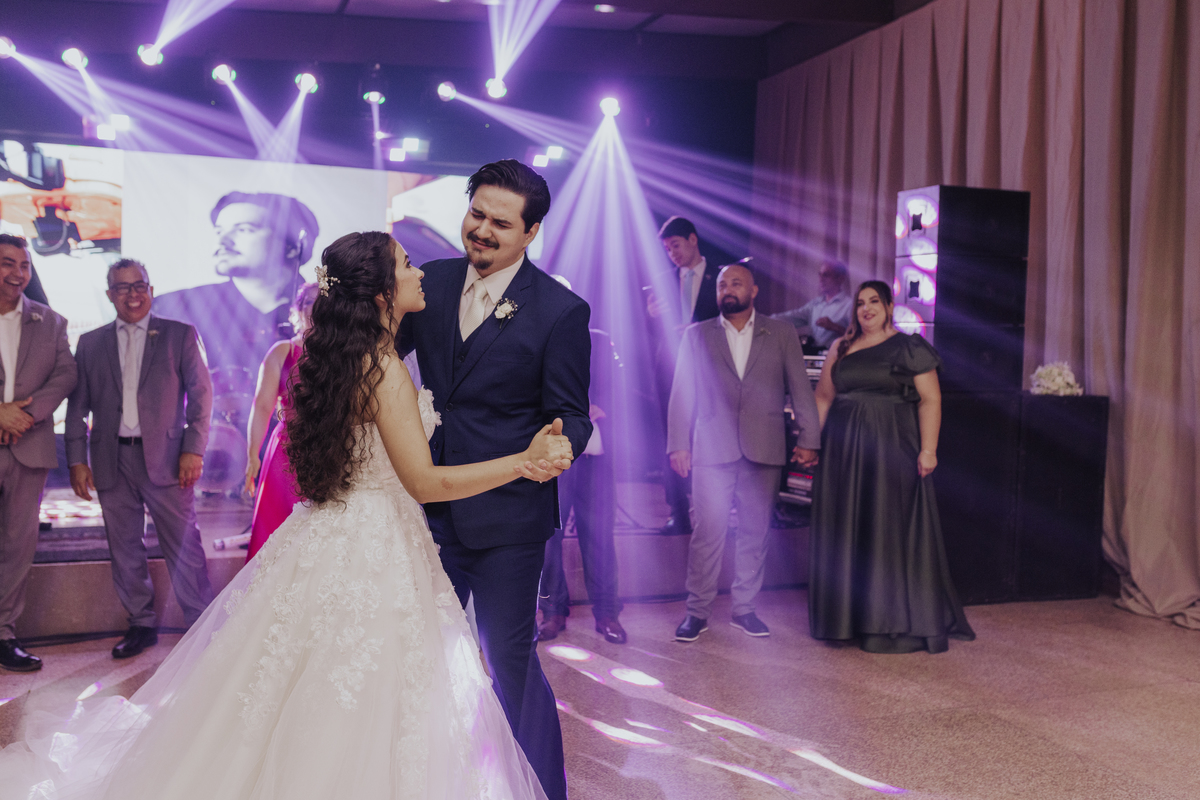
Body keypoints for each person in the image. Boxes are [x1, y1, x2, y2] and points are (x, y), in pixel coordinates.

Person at [0, 231, 571, 799]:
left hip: (334, 530)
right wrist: (523, 461)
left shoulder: (343, 358)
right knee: (365, 681)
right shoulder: (383, 368)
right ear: (380, 292)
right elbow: (422, 483)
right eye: (406, 265)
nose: (420, 273)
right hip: (375, 544)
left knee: (301, 675)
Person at [401, 159, 592, 800]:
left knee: (509, 660)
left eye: (500, 224)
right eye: (476, 214)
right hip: (426, 506)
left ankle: (543, 791)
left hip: (509, 516)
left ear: (530, 232)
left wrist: (559, 445)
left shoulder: (559, 310)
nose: (481, 230)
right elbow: (380, 360)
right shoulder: (428, 282)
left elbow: (572, 413)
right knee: (419, 653)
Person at [808, 280, 975, 654]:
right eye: (860, 303)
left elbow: (930, 400)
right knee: (845, 529)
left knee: (884, 528)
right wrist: (809, 442)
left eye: (874, 301)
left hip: (891, 449)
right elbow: (822, 398)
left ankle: (885, 623)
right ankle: (845, 620)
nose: (866, 308)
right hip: (841, 451)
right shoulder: (841, 347)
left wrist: (929, 450)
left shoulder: (908, 346)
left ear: (888, 306)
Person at [66, 258, 215, 660]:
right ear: (109, 294)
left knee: (184, 546)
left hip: (169, 458)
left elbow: (202, 397)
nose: (132, 295)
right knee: (125, 548)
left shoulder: (179, 335)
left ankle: (201, 623)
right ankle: (141, 624)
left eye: (139, 286)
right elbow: (78, 407)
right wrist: (77, 460)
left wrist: (193, 449)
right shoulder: (91, 343)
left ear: (150, 290)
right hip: (111, 459)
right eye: (122, 287)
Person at [667, 263, 820, 642]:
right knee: (707, 532)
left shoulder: (781, 333)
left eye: (736, 283)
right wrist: (678, 443)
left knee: (755, 532)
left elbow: (800, 388)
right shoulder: (697, 335)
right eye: (722, 285)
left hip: (764, 446)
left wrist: (809, 438)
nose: (727, 290)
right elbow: (682, 391)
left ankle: (745, 609)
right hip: (711, 447)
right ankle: (696, 612)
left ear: (753, 291)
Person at [0, 234, 76, 672]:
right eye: (7, 263)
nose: (17, 273)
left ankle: (3, 634)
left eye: (24, 265)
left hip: (28, 447)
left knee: (17, 546)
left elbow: (66, 374)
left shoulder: (51, 322)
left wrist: (25, 416)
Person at [153, 192, 319, 375]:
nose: (223, 241)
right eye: (219, 231)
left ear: (292, 245)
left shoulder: (326, 308)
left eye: (244, 230)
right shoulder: (172, 308)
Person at [537, 328, 625, 645]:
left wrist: (603, 406)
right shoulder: (541, 336)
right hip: (553, 454)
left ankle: (607, 613)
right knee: (549, 538)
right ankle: (552, 611)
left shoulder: (599, 339)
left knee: (600, 538)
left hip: (595, 457)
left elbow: (621, 385)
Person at [649, 216, 721, 536]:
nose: (672, 254)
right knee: (671, 438)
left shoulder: (721, 277)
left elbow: (730, 321)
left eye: (675, 246)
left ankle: (714, 511)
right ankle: (678, 513)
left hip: (710, 367)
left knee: (709, 435)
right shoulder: (662, 279)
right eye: (667, 249)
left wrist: (696, 331)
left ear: (693, 239)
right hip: (670, 366)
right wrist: (651, 315)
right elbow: (649, 329)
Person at [243, 281, 318, 560]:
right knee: (281, 532)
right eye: (309, 301)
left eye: (323, 300)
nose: (317, 306)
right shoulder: (282, 351)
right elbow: (262, 407)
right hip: (288, 453)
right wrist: (253, 455)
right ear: (298, 310)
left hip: (331, 447)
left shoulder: (343, 351)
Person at [773, 259, 853, 349]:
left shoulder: (849, 305)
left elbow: (857, 335)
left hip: (838, 355)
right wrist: (765, 319)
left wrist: (834, 327)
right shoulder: (815, 304)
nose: (821, 279)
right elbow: (791, 317)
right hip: (814, 354)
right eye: (820, 275)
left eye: (826, 275)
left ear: (840, 278)